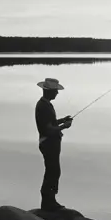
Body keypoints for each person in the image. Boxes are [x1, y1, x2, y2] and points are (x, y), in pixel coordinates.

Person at [35, 78, 73, 211]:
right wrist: (64, 126)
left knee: (53, 171)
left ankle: (49, 200)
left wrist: (62, 120)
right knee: (52, 171)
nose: (57, 93)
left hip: (50, 143)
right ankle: (48, 202)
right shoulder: (43, 106)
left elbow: (50, 123)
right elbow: (47, 129)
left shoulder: (45, 104)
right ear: (49, 91)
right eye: (55, 91)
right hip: (48, 143)